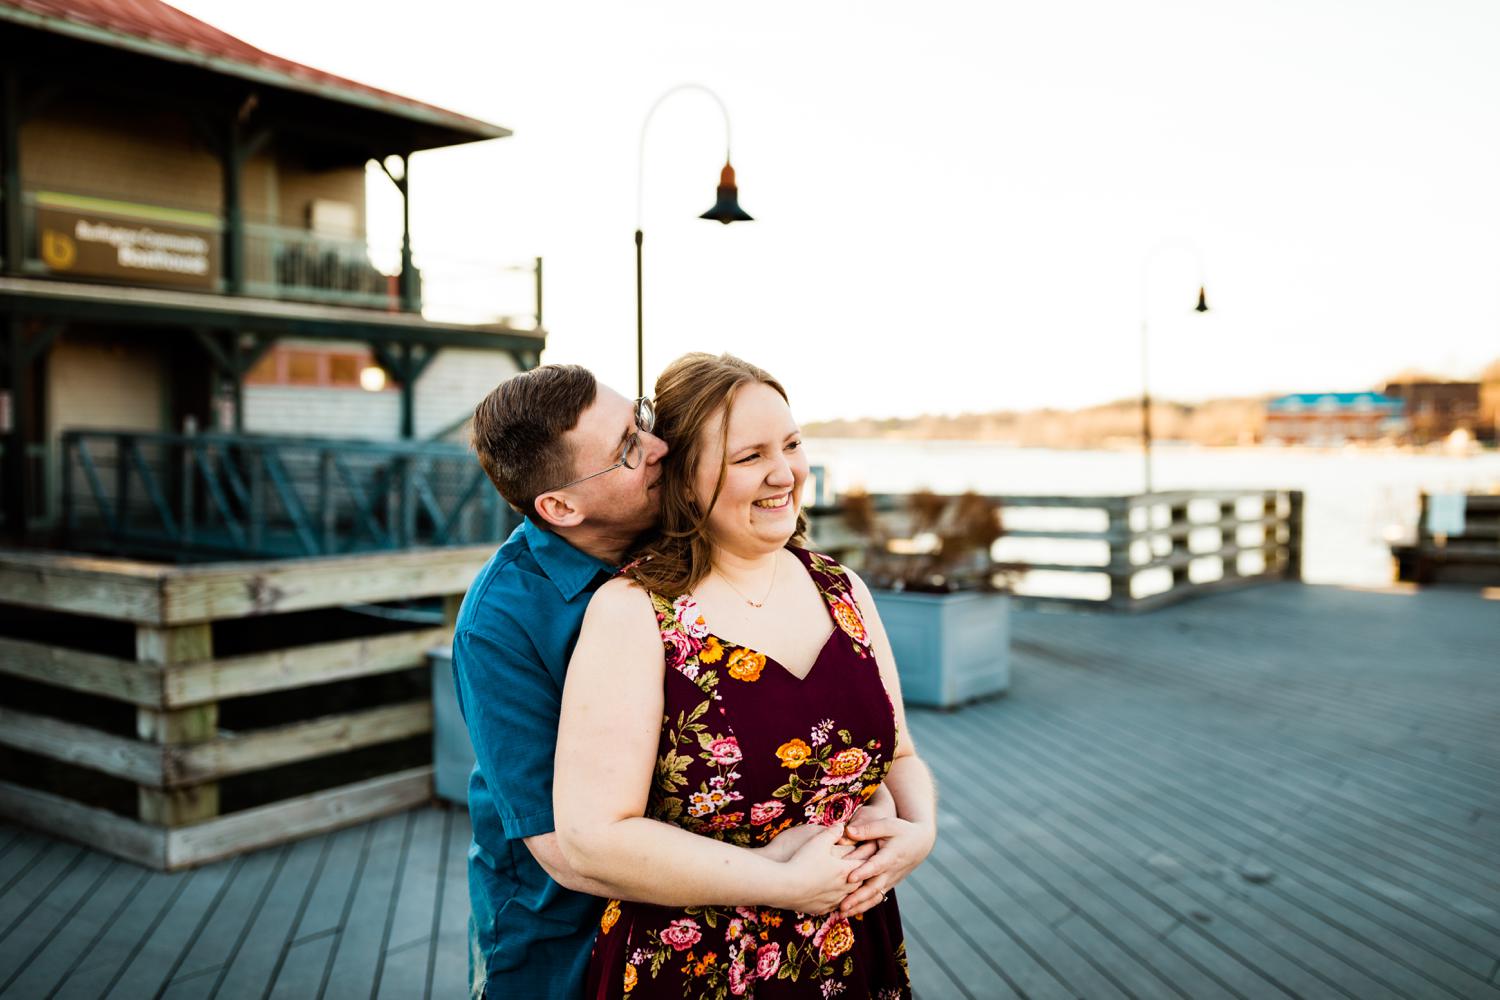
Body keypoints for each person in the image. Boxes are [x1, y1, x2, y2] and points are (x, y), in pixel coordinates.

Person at [455, 364, 902, 999]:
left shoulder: (673, 543)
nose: (658, 446)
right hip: (555, 922)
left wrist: (869, 811)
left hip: (740, 898)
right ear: (561, 506)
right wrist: (777, 870)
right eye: (627, 450)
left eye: (638, 419)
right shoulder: (499, 625)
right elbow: (562, 846)